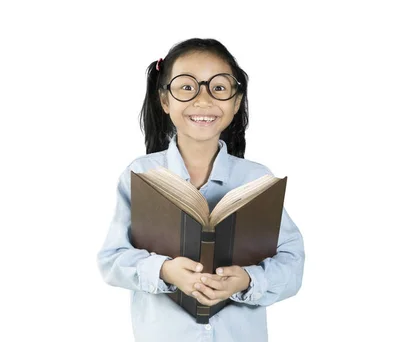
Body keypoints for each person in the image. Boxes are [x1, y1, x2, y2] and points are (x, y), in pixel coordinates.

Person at [96, 38, 305, 342]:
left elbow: (292, 261)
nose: (203, 100)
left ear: (236, 102)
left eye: (219, 88)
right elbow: (111, 260)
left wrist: (247, 280)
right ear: (165, 101)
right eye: (187, 87)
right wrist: (165, 271)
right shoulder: (141, 174)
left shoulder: (255, 179)